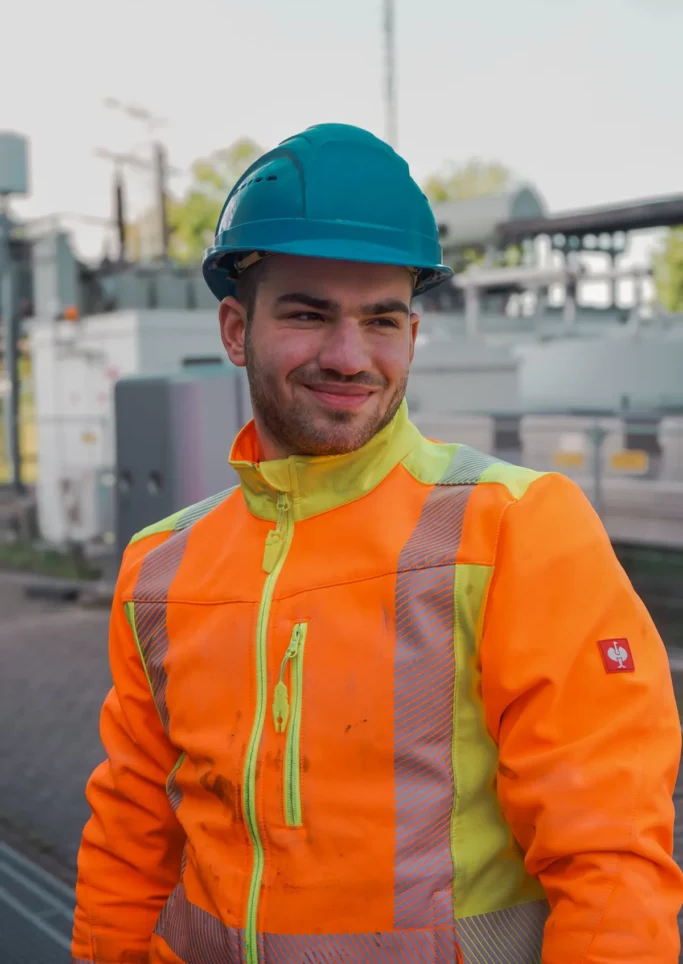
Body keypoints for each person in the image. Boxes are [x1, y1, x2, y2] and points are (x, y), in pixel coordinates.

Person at [72, 123, 682, 964]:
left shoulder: (515, 527)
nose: (348, 355)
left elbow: (610, 862)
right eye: (307, 313)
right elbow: (129, 843)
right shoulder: (162, 565)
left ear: (412, 334)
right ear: (233, 328)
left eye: (381, 318)